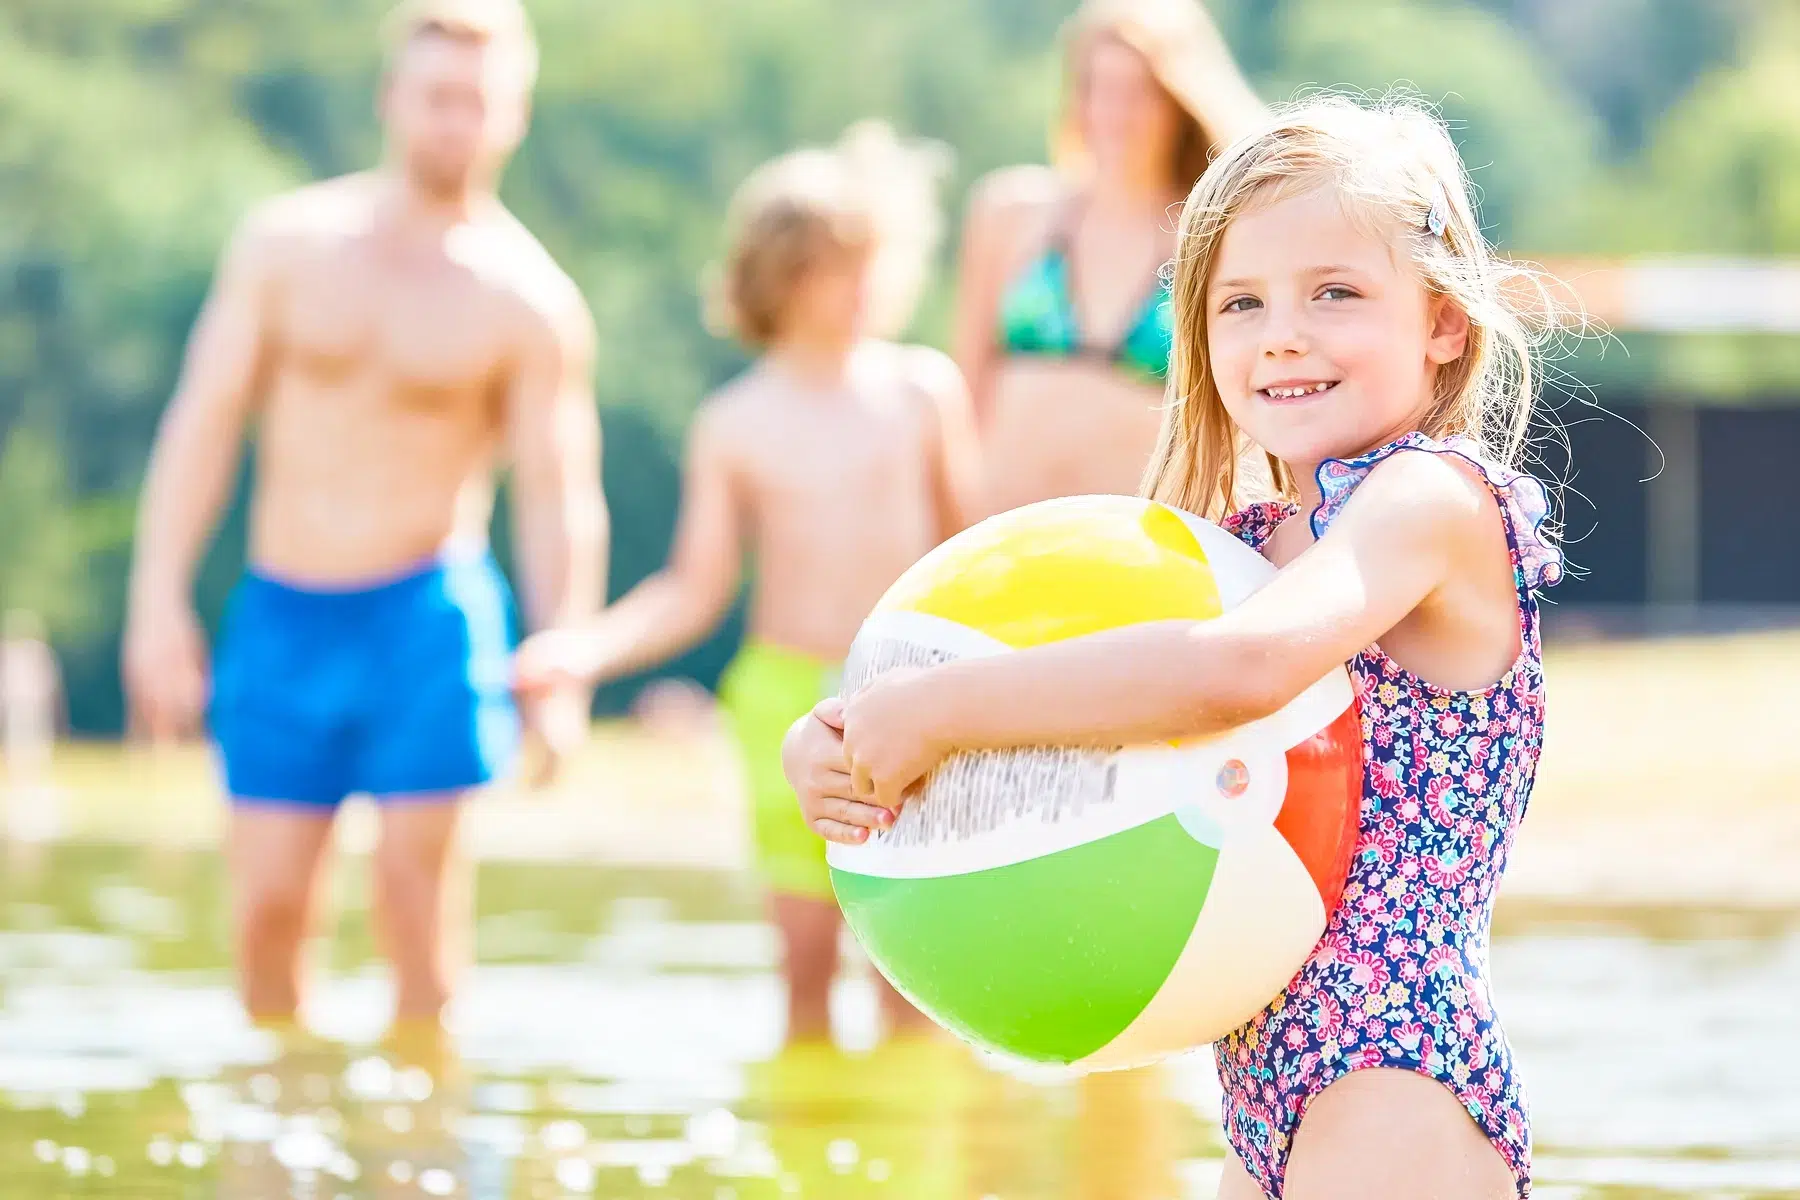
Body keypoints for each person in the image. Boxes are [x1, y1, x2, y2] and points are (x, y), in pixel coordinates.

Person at [784, 95, 1568, 1200]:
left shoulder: (1428, 502)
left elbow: (1230, 672)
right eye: (1239, 302)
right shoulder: (1237, 551)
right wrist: (838, 741)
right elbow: (1086, 711)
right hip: (1264, 1084)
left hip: (1397, 1071)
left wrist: (939, 711)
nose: (1282, 334)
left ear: (1442, 322)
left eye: (1334, 293)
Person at [121, 0, 606, 1035]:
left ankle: (418, 1165)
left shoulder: (529, 301)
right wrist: (157, 601)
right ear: (392, 99)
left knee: (416, 913)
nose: (454, 121)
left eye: (478, 101)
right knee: (266, 915)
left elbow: (560, 492)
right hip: (286, 611)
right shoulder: (286, 247)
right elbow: (201, 427)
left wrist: (564, 651)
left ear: (514, 114)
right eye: (437, 96)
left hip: (426, 618)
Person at [514, 121, 977, 1043]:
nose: (855, 289)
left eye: (867, 264)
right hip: (780, 702)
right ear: (775, 279)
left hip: (913, 690)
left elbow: (976, 554)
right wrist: (584, 650)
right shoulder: (735, 422)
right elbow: (695, 587)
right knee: (804, 966)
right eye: (827, 269)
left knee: (914, 972)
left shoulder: (924, 392)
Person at [952, 0, 1262, 519]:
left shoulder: (1212, 233)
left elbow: (1242, 419)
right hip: (1002, 536)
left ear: (1180, 102)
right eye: (1098, 87)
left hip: (1141, 545)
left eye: (1140, 92)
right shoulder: (1009, 212)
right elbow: (964, 395)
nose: (1115, 112)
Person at [0, 609, 63, 841]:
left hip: (33, 704)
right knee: (17, 744)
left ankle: (34, 785)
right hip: (19, 706)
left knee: (36, 744)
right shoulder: (12, 654)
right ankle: (19, 786)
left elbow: (47, 683)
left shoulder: (37, 654)